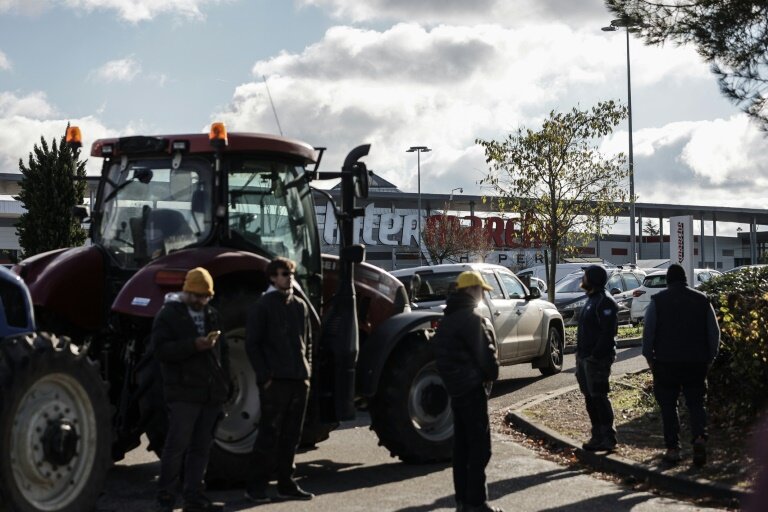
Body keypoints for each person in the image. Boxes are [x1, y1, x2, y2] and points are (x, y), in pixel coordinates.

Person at [152, 267, 230, 512]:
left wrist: (224, 383)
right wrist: (193, 345)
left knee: (201, 447)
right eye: (198, 296)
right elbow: (161, 350)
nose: (202, 301)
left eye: (206, 296)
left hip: (209, 392)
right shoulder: (168, 315)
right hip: (183, 392)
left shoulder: (212, 314)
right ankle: (166, 496)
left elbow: (223, 352)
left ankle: (194, 496)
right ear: (187, 292)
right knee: (176, 447)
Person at [244, 257, 313, 503]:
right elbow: (252, 344)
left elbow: (308, 343)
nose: (289, 277)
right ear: (273, 277)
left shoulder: (299, 306)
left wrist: (307, 371)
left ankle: (286, 483)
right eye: (284, 273)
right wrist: (266, 376)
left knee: (292, 435)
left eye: (292, 273)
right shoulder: (262, 306)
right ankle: (256, 486)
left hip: (298, 379)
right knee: (269, 434)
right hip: (277, 381)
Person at [434, 270, 502, 512]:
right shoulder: (472, 319)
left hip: (456, 392)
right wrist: (490, 375)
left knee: (461, 448)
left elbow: (439, 358)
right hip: (473, 391)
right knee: (480, 449)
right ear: (473, 290)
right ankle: (477, 503)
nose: (483, 295)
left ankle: (462, 502)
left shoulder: (447, 320)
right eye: (482, 290)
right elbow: (487, 357)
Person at [642, 263, 720, 465]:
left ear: (667, 280)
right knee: (696, 403)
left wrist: (649, 358)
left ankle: (673, 448)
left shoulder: (657, 301)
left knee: (668, 405)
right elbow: (714, 332)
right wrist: (710, 358)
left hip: (666, 362)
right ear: (685, 278)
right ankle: (700, 439)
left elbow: (648, 333)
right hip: (696, 361)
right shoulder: (702, 300)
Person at [575, 265, 619, 452]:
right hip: (585, 358)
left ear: (591, 279)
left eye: (585, 275)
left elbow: (608, 332)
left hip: (597, 360)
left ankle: (608, 437)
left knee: (599, 397)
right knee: (590, 398)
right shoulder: (591, 300)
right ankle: (597, 435)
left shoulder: (604, 301)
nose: (582, 279)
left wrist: (595, 355)